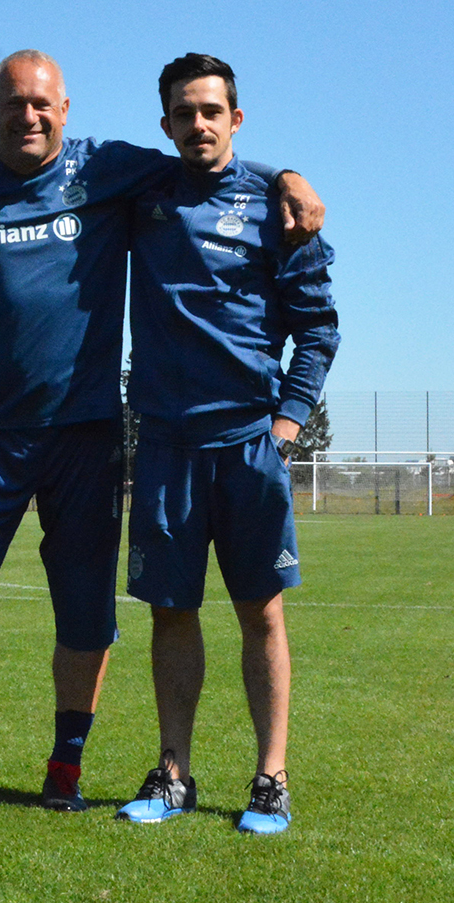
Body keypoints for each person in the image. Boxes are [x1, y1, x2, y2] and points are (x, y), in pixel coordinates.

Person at [0, 51, 324, 816]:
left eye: (42, 103)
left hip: (89, 435)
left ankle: (68, 769)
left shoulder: (110, 172)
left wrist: (288, 177)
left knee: (93, 611)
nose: (29, 115)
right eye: (14, 103)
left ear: (66, 109)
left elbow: (214, 166)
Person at [114, 53, 338, 836]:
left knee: (261, 616)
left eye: (212, 111)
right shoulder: (141, 194)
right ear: (166, 123)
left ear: (235, 120)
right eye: (185, 112)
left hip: (247, 442)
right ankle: (173, 774)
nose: (199, 124)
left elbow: (318, 327)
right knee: (169, 614)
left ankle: (270, 779)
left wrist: (286, 425)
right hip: (167, 446)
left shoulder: (278, 206)